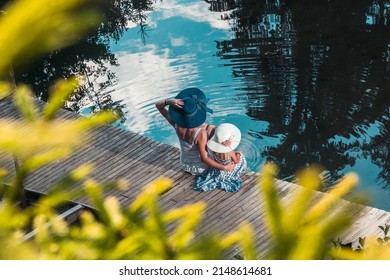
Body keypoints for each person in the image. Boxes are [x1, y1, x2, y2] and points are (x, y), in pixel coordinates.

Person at [155, 87, 235, 175]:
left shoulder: (176, 124)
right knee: (218, 136)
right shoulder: (201, 134)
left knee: (211, 128)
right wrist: (224, 167)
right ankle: (231, 150)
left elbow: (159, 106)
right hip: (200, 169)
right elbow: (204, 159)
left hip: (185, 165)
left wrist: (169, 102)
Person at [194, 123, 247, 192]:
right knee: (242, 158)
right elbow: (236, 161)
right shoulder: (229, 152)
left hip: (218, 168)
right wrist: (238, 154)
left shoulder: (214, 150)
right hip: (228, 169)